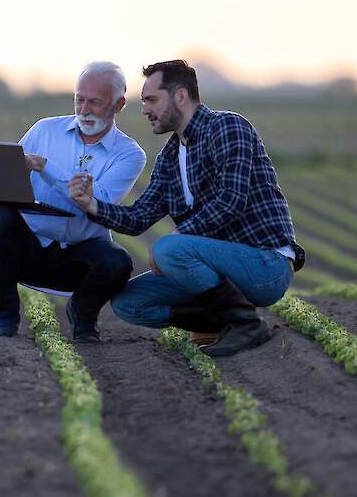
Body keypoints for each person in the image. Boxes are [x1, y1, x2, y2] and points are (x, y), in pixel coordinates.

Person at [68, 59, 305, 357]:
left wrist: (178, 238)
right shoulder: (169, 157)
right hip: (213, 270)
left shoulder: (228, 127)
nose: (145, 110)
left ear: (180, 96)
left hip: (263, 264)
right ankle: (218, 323)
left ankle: (245, 323)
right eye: (144, 101)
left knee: (170, 248)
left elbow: (231, 200)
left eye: (152, 100)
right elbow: (138, 218)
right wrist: (91, 204)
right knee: (129, 302)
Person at [0, 61, 147, 341]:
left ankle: (83, 316)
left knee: (118, 262)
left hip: (79, 255)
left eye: (94, 103)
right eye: (79, 100)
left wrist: (46, 166)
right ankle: (5, 319)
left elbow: (102, 200)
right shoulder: (44, 130)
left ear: (119, 104)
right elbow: (8, 177)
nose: (84, 110)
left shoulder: (129, 154)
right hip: (30, 249)